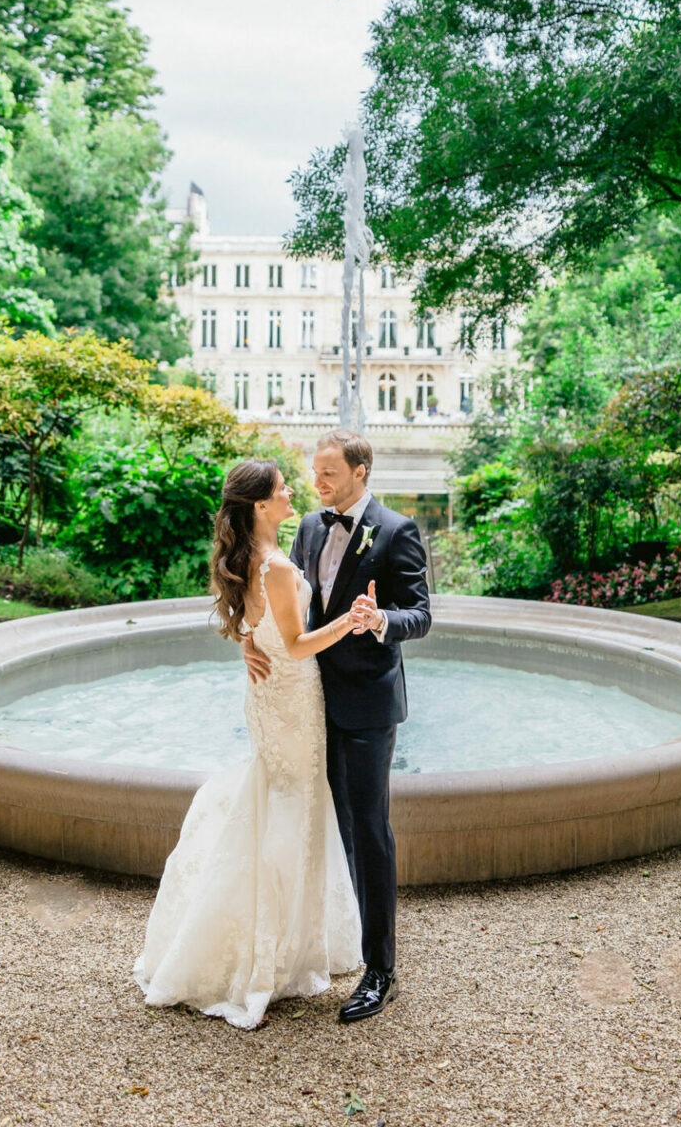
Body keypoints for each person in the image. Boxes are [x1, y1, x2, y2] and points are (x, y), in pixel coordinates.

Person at [133, 459, 362, 1030]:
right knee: (290, 807)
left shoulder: (250, 559)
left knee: (277, 800)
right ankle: (267, 956)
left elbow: (249, 624)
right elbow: (298, 642)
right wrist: (352, 621)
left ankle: (278, 943)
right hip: (290, 697)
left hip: (269, 695)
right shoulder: (278, 566)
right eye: (282, 488)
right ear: (260, 505)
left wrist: (245, 641)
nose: (292, 492)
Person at [244, 429, 431, 1023]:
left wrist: (380, 621)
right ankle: (324, 945)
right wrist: (251, 638)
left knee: (367, 830)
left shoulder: (397, 531)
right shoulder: (308, 528)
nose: (316, 482)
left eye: (327, 472)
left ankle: (382, 970)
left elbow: (422, 615)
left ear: (360, 472)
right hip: (305, 700)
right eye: (314, 470)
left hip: (367, 706)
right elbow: (287, 606)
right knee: (319, 825)